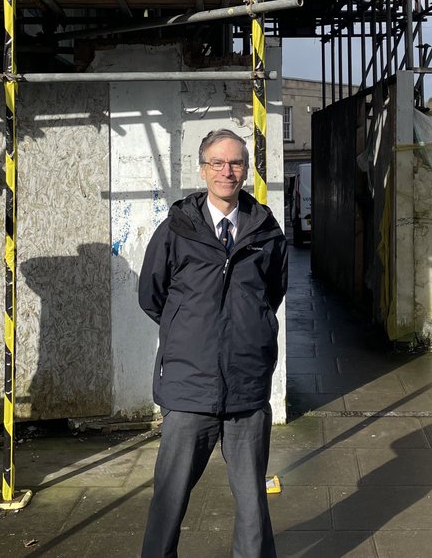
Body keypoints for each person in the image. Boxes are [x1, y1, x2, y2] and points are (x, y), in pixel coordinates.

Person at [138, 128, 288, 558]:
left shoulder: (266, 231)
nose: (228, 171)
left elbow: (271, 294)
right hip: (189, 386)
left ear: (246, 169)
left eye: (236, 162)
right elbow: (152, 295)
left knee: (252, 503)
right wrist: (190, 330)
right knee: (169, 499)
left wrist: (249, 331)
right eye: (218, 163)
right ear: (203, 170)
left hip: (246, 386)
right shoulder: (177, 229)